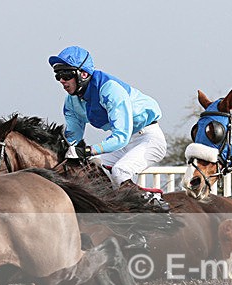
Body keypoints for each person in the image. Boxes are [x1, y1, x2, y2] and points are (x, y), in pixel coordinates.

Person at [48, 45, 167, 190]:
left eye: (66, 75)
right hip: (124, 145)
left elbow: (120, 137)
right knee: (92, 171)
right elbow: (72, 140)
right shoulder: (71, 102)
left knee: (120, 172)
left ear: (83, 74)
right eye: (58, 75)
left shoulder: (110, 89)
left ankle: (153, 201)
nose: (61, 80)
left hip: (148, 139)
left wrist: (86, 151)